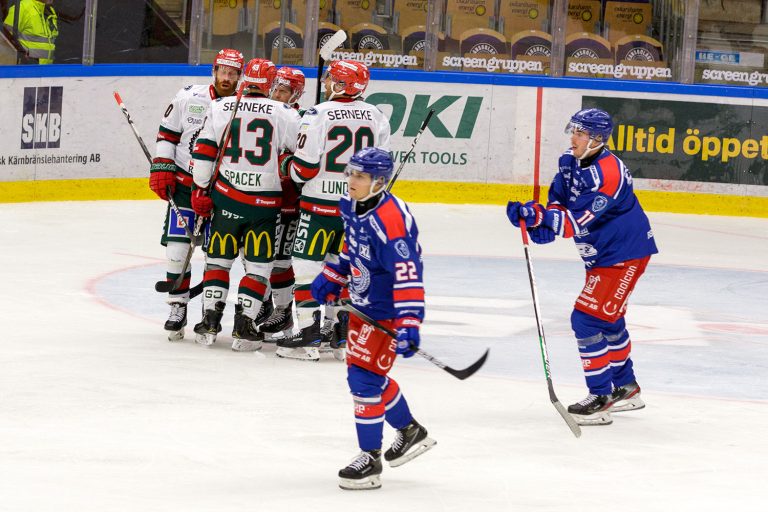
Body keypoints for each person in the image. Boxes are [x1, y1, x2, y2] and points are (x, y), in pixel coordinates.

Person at [506, 108, 658, 426]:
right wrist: (544, 218)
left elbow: (575, 221)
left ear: (597, 139)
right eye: (572, 130)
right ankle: (626, 388)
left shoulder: (610, 176)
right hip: (601, 254)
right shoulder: (568, 160)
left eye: (579, 132)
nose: (572, 137)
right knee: (609, 320)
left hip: (624, 254)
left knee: (586, 320)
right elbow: (559, 201)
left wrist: (539, 218)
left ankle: (601, 396)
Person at [310, 147, 436, 490]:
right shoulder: (352, 204)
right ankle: (410, 431)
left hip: (389, 311)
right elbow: (353, 245)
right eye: (351, 173)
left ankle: (370, 458)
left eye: (360, 176)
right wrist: (335, 275)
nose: (351, 181)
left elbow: (408, 274)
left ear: (379, 182)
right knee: (367, 376)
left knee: (364, 381)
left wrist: (410, 321)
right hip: (364, 305)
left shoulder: (390, 221)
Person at [276, 59, 391, 362]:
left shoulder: (318, 113)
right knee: (342, 270)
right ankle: (338, 334)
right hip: (356, 212)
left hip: (319, 210)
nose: (327, 83)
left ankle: (309, 336)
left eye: (331, 80)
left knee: (305, 266)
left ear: (341, 84)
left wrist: (287, 164)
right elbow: (381, 172)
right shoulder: (377, 116)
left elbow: (304, 170)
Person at [189, 58, 301, 351]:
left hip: (225, 198)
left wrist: (201, 189)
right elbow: (300, 155)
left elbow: (203, 153)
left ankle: (209, 321)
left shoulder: (221, 106)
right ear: (270, 83)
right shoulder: (284, 112)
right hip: (264, 205)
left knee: (218, 261)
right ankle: (244, 325)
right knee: (259, 266)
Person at [150, 48, 244, 342]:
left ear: (240, 76)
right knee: (178, 251)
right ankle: (177, 308)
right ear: (213, 70)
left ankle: (209, 314)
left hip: (223, 190)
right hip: (184, 185)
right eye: (222, 71)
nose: (226, 78)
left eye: (233, 73)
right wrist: (162, 167)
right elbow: (168, 134)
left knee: (218, 255)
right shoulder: (188, 96)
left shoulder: (246, 105)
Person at [254, 66, 306, 341]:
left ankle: (284, 311)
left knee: (280, 259)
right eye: (274, 87)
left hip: (287, 200)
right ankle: (263, 305)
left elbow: (306, 162)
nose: (275, 93)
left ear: (295, 93)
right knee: (256, 257)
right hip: (259, 198)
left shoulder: (301, 119)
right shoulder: (263, 112)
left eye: (283, 89)